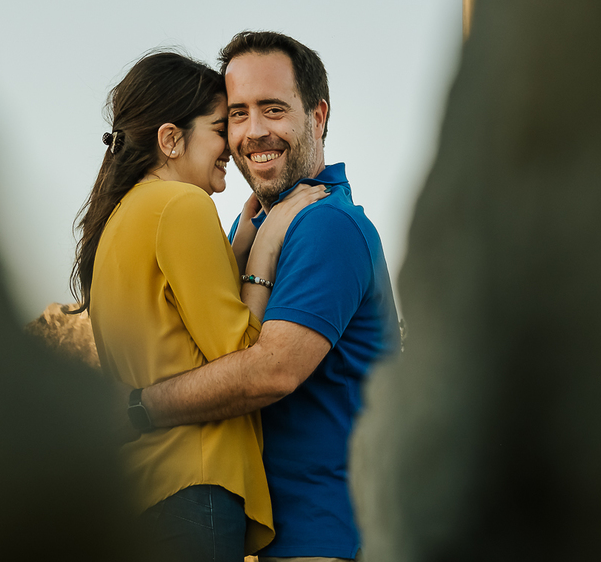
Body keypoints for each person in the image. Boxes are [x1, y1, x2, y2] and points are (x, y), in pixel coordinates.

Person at [127, 32, 400, 561]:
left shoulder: (327, 225)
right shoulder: (257, 225)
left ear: (318, 117)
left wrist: (140, 408)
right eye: (238, 113)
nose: (254, 132)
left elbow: (271, 370)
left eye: (273, 109)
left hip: (330, 533)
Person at [72, 51, 326, 562]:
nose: (229, 147)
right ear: (170, 139)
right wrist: (269, 245)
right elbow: (241, 351)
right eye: (219, 127)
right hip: (197, 484)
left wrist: (240, 242)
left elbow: (177, 323)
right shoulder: (183, 206)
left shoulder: (119, 220)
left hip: (144, 491)